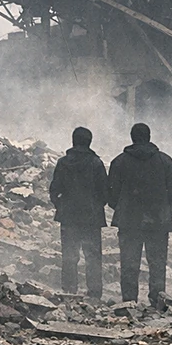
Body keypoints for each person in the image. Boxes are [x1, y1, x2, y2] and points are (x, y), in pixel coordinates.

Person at [107, 123, 172, 306]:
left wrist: (121, 208)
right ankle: (158, 299)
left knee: (129, 262)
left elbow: (110, 193)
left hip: (129, 220)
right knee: (157, 263)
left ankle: (129, 300)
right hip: (158, 220)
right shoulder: (164, 161)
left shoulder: (119, 161)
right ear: (149, 137)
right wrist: (170, 211)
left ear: (132, 137)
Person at [49, 127, 108, 298]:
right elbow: (104, 191)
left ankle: (69, 289)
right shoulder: (96, 163)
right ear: (89, 142)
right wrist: (96, 206)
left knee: (69, 254)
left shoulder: (63, 163)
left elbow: (54, 190)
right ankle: (95, 292)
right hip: (92, 218)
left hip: (68, 217)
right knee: (93, 256)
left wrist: (61, 205)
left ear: (73, 140)